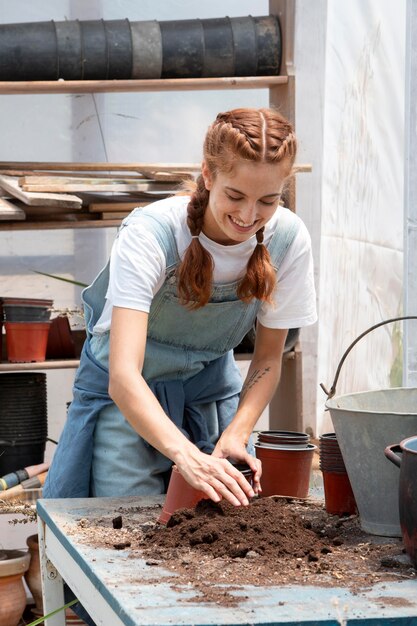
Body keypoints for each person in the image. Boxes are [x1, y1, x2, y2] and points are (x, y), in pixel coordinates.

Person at [44, 107, 317, 508]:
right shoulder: (152, 235)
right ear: (208, 175)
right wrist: (188, 457)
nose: (247, 216)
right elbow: (123, 376)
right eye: (235, 196)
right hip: (130, 402)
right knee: (129, 531)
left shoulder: (287, 240)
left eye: (268, 201)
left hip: (208, 395)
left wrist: (236, 434)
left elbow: (268, 359)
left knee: (221, 531)